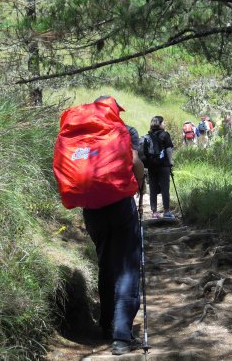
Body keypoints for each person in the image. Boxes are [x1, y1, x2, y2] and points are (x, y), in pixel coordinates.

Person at [81, 96, 145, 356]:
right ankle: (121, 335)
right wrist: (139, 188)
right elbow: (136, 163)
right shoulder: (124, 131)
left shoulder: (82, 134)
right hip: (120, 206)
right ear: (115, 111)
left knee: (106, 264)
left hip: (92, 211)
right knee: (127, 266)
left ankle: (105, 325)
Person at [145, 115, 175, 219]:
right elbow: (168, 150)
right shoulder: (165, 134)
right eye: (163, 122)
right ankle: (166, 212)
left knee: (153, 189)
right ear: (160, 124)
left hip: (151, 166)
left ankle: (154, 213)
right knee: (165, 188)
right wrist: (171, 162)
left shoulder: (148, 136)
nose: (164, 124)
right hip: (164, 165)